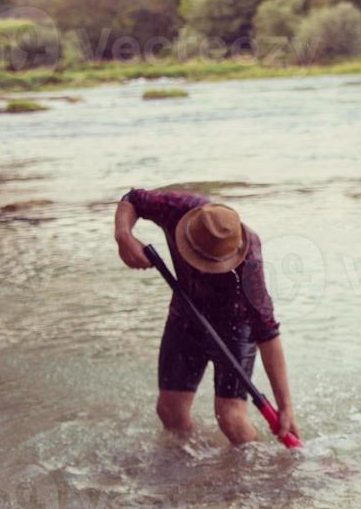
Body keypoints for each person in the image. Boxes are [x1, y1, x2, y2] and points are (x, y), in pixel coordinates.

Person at [114, 188, 300, 446]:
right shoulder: (176, 207)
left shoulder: (250, 265)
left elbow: (267, 333)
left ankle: (257, 472)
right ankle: (191, 468)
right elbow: (132, 199)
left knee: (230, 420)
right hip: (186, 314)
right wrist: (124, 236)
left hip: (234, 326)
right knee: (169, 412)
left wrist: (285, 407)